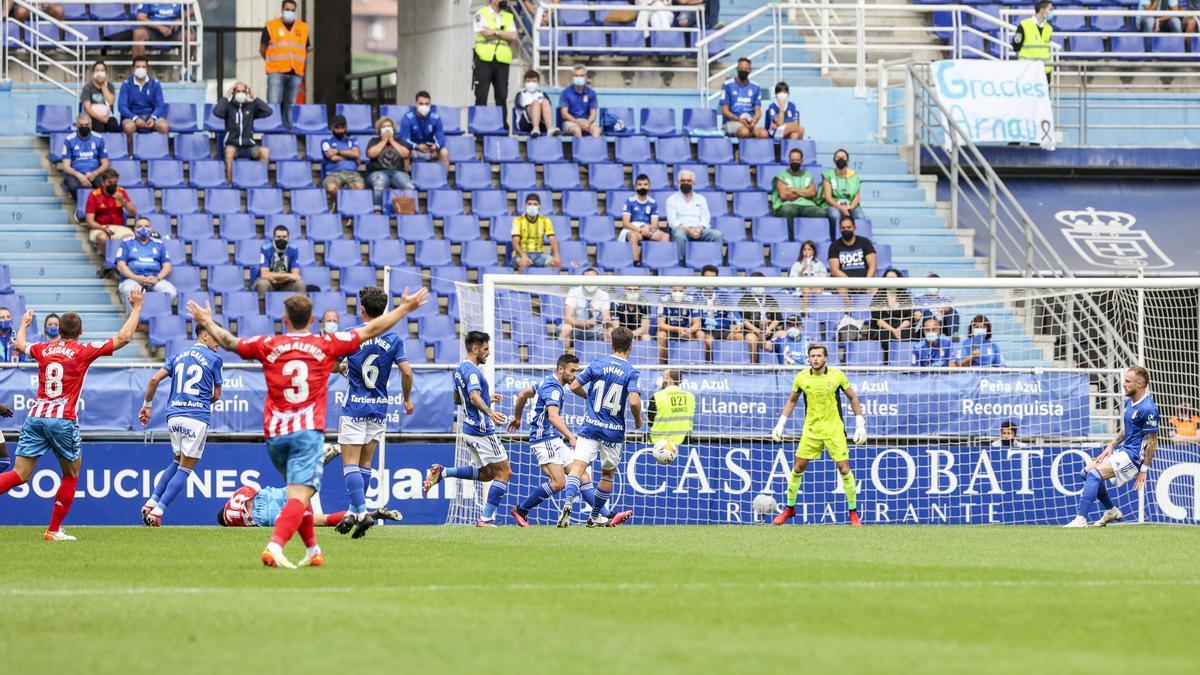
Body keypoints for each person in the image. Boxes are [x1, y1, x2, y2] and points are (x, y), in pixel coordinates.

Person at [186, 287, 428, 567]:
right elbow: (370, 330)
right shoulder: (324, 345)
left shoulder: (269, 343)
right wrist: (405, 309)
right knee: (300, 496)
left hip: (276, 435)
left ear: (285, 319)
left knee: (296, 493)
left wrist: (206, 321)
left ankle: (313, 551)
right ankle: (276, 546)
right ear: (312, 319)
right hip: (307, 434)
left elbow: (230, 342)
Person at [0, 290, 144, 540]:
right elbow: (123, 337)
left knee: (19, 474)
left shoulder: (43, 348)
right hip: (62, 419)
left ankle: (54, 530)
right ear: (80, 332)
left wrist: (23, 325)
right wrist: (137, 308)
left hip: (35, 417)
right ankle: (53, 530)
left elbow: (20, 345)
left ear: (59, 331)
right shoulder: (83, 350)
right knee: (71, 474)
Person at [508, 354, 631, 527]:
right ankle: (521, 509)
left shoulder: (547, 381)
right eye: (572, 371)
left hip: (554, 439)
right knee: (559, 482)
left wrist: (517, 417)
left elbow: (522, 395)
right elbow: (553, 417)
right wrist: (571, 437)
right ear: (560, 369)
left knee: (583, 475)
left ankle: (606, 515)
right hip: (544, 439)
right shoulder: (554, 389)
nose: (575, 375)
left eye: (577, 371)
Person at [335, 286, 414, 538]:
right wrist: (407, 399)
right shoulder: (394, 339)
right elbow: (407, 372)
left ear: (362, 309)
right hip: (379, 408)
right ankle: (352, 512)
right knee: (365, 464)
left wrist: (340, 367)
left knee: (349, 464)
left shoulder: (352, 335)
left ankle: (361, 513)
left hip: (354, 406)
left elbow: (330, 361)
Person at [770, 342, 868, 527]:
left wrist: (860, 424)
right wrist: (781, 423)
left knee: (844, 469)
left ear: (825, 358)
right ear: (809, 358)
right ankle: (789, 508)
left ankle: (853, 513)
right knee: (798, 467)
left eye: (818, 356)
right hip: (811, 430)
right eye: (812, 356)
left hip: (834, 429)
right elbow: (792, 400)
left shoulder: (837, 375)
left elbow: (853, 397)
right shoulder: (801, 378)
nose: (815, 359)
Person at [422, 331, 512, 528]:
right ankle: (486, 518)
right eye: (486, 349)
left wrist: (487, 398)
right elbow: (472, 397)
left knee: (488, 473)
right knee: (504, 473)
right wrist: (489, 412)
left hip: (468, 429)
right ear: (475, 349)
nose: (488, 353)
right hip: (482, 430)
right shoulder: (472, 371)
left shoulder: (459, 369)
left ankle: (443, 472)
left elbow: (458, 399)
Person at [136, 325, 223, 526]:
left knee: (176, 461)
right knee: (185, 469)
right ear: (205, 335)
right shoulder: (214, 359)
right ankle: (157, 512)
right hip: (196, 417)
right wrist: (200, 401)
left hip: (173, 415)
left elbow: (154, 379)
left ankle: (151, 502)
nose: (219, 341)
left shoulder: (178, 354)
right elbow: (217, 395)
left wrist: (147, 406)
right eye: (216, 336)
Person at [558, 326, 643, 527]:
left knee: (577, 467)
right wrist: (638, 420)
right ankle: (595, 516)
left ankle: (568, 503)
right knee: (607, 474)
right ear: (630, 348)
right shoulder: (631, 372)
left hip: (590, 426)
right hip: (613, 431)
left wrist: (591, 397)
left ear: (612, 344)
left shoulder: (597, 364)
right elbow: (634, 402)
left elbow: (574, 385)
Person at [1065, 366, 1159, 527]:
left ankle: (1080, 519)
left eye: (1128, 381)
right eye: (1124, 380)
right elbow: (1127, 427)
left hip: (1134, 456)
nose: (1124, 384)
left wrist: (1143, 470)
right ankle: (1111, 510)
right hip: (1124, 450)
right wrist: (1112, 444)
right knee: (1086, 472)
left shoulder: (1148, 409)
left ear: (1140, 384)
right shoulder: (1130, 401)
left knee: (1094, 475)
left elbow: (1152, 441)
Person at [219, 482, 403, 528]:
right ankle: (320, 463)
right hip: (271, 496)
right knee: (304, 487)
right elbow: (255, 488)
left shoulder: (230, 520)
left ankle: (374, 514)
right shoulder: (237, 495)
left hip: (265, 516)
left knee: (322, 520)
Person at [261, 0, 309, 131]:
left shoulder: (303, 28)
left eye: (293, 10)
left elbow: (305, 49)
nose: (290, 12)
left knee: (290, 105)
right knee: (273, 103)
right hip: (276, 71)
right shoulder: (271, 26)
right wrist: (272, 62)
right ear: (282, 10)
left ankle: (288, 133)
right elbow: (262, 48)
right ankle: (272, 130)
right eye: (287, 9)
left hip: (295, 72)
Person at [213, 82, 272, 186]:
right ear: (234, 92)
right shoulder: (228, 106)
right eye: (238, 91)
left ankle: (262, 181)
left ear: (247, 92)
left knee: (265, 152)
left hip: (249, 147)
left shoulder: (251, 106)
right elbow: (217, 112)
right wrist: (226, 96)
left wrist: (255, 97)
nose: (241, 93)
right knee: (229, 151)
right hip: (233, 146)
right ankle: (230, 182)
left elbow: (268, 111)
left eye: (243, 91)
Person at [473, 0, 518, 127]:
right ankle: (480, 129)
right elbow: (485, 34)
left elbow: (513, 36)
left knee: (502, 96)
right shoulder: (481, 13)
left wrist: (495, 32)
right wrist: (504, 34)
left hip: (502, 61)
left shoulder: (508, 16)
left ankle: (502, 127)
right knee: (482, 95)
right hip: (484, 59)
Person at [116, 216, 176, 311]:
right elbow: (120, 266)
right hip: (133, 279)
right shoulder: (126, 243)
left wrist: (157, 278)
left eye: (147, 226)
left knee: (170, 291)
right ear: (134, 229)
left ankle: (156, 316)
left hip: (154, 279)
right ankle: (135, 322)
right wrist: (136, 278)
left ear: (151, 228)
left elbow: (167, 266)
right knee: (128, 289)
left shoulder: (159, 244)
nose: (143, 229)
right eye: (139, 226)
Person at [666, 170, 722, 264]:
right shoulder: (671, 200)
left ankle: (715, 262)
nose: (686, 183)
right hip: (683, 231)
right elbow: (673, 222)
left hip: (699, 230)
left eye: (688, 181)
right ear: (678, 182)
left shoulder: (701, 199)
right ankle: (681, 264)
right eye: (683, 181)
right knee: (679, 236)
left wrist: (699, 229)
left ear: (693, 183)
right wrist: (689, 230)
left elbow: (706, 218)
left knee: (717, 234)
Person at [118, 56, 169, 155]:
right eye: (138, 67)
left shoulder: (155, 84)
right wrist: (135, 118)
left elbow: (160, 105)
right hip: (132, 117)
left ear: (147, 68)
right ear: (133, 68)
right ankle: (130, 156)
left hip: (151, 117)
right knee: (128, 127)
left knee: (164, 126)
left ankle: (163, 155)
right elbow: (122, 106)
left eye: (143, 67)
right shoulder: (126, 85)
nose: (140, 69)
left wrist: (154, 118)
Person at [861, 268, 912, 364]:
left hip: (901, 327)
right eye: (888, 278)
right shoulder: (878, 297)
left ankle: (903, 362)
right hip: (883, 327)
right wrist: (893, 330)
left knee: (907, 335)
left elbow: (908, 318)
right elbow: (877, 319)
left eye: (893, 278)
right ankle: (886, 362)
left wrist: (899, 329)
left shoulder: (905, 297)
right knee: (887, 336)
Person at [770, 148, 824, 234]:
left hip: (806, 205)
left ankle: (811, 237)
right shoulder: (781, 175)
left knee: (821, 212)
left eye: (797, 160)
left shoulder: (808, 175)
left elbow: (813, 193)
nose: (794, 162)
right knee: (788, 210)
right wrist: (804, 192)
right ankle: (791, 239)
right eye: (792, 160)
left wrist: (794, 190)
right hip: (788, 205)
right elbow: (784, 195)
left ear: (802, 161)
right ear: (789, 161)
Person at [559, 268, 612, 351]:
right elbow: (567, 318)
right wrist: (583, 324)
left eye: (593, 278)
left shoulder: (604, 295)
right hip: (576, 328)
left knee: (610, 331)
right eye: (587, 278)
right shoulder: (574, 292)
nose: (590, 281)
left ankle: (607, 359)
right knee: (566, 328)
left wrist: (606, 320)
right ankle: (561, 357)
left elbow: (606, 316)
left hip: (594, 329)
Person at [365, 116, 413, 207]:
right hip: (378, 172)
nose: (387, 129)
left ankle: (408, 211)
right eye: (384, 127)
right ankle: (377, 210)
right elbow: (371, 154)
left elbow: (405, 154)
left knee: (409, 188)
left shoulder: (399, 141)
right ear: (379, 129)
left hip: (398, 172)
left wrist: (391, 140)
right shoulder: (374, 141)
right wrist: (384, 141)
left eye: (389, 126)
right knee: (379, 187)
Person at [827, 216, 877, 303]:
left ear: (854, 227)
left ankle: (872, 316)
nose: (846, 230)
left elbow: (873, 264)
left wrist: (867, 282)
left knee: (875, 289)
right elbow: (834, 270)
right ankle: (848, 316)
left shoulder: (865, 242)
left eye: (849, 227)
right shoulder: (834, 245)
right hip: (845, 283)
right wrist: (852, 283)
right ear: (839, 229)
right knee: (841, 289)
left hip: (865, 282)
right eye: (843, 228)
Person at [696, 265, 740, 361]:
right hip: (705, 329)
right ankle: (709, 368)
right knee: (708, 341)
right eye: (707, 278)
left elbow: (733, 311)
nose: (710, 281)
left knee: (739, 336)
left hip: (722, 328)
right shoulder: (695, 294)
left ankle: (736, 369)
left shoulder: (724, 293)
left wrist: (738, 324)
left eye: (713, 278)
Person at [621, 173, 668, 264]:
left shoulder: (653, 202)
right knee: (633, 236)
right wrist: (640, 230)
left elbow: (655, 224)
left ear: (649, 186)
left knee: (665, 236)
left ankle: (657, 261)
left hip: (648, 229)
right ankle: (636, 262)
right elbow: (625, 223)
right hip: (634, 229)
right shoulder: (630, 201)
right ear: (635, 187)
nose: (643, 187)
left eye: (645, 184)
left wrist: (648, 228)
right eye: (640, 184)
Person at [736, 273, 782, 364]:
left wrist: (769, 328)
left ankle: (783, 364)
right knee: (752, 340)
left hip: (769, 330)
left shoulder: (770, 299)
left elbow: (777, 318)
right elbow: (744, 320)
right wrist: (757, 330)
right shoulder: (745, 299)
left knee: (783, 334)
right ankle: (754, 366)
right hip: (752, 330)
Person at [511, 193, 562, 273]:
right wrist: (524, 256)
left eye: (535, 204)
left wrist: (556, 255)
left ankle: (550, 285)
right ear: (525, 206)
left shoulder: (545, 220)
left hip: (538, 255)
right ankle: (521, 286)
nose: (532, 206)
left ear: (539, 206)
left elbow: (552, 238)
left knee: (556, 263)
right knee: (523, 262)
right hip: (520, 254)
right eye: (529, 204)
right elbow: (515, 242)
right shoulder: (518, 221)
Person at [84, 169, 137, 245]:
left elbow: (133, 213)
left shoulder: (120, 192)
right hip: (100, 228)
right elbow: (89, 221)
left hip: (118, 227)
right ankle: (107, 256)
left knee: (129, 239)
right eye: (110, 182)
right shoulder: (94, 195)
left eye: (115, 182)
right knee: (103, 238)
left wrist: (124, 201)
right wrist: (104, 228)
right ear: (103, 183)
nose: (113, 185)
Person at [60, 114, 110, 194]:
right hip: (76, 174)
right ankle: (80, 205)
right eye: (81, 125)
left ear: (91, 125)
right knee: (73, 186)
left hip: (94, 173)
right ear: (76, 125)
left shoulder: (99, 138)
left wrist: (94, 173)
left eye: (87, 125)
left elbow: (105, 163)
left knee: (103, 185)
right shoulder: (69, 140)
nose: (84, 127)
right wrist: (80, 176)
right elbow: (66, 167)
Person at [822, 148, 865, 241]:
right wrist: (841, 209)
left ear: (848, 160)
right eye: (838, 157)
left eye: (843, 157)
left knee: (860, 216)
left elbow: (857, 196)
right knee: (835, 214)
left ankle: (858, 242)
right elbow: (828, 197)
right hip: (833, 204)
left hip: (850, 205)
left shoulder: (854, 177)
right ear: (834, 160)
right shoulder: (828, 175)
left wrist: (851, 208)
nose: (840, 159)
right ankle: (836, 241)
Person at [398, 92, 450, 168]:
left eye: (426, 104)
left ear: (430, 105)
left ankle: (443, 179)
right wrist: (417, 146)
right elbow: (404, 139)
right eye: (421, 104)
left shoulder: (436, 118)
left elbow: (441, 138)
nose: (424, 106)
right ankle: (406, 178)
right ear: (416, 104)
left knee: (444, 152)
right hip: (413, 150)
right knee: (405, 152)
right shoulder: (408, 118)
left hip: (430, 150)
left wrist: (435, 146)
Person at [321, 114, 365, 203]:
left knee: (359, 186)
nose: (339, 130)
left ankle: (347, 206)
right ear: (332, 128)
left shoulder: (352, 140)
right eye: (337, 127)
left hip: (352, 174)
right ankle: (339, 204)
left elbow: (356, 153)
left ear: (346, 128)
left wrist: (338, 151)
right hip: (333, 174)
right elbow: (331, 156)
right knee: (331, 188)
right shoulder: (326, 141)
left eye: (342, 127)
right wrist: (351, 158)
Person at [720, 58, 767, 139]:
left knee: (764, 133)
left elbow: (758, 111)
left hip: (751, 122)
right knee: (744, 132)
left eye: (746, 68)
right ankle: (739, 151)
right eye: (741, 68)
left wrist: (753, 121)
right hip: (733, 121)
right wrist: (739, 119)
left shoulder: (755, 86)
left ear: (750, 70)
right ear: (737, 69)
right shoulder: (727, 85)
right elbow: (725, 111)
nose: (743, 70)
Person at [648, 368, 696, 448]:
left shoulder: (657, 397)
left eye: (663, 377)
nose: (661, 380)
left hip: (658, 444)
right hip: (683, 443)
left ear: (670, 380)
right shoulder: (690, 397)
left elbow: (650, 422)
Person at [254, 225, 306, 295]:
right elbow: (265, 274)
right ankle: (262, 306)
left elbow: (295, 274)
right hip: (269, 282)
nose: (281, 239)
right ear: (273, 237)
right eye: (278, 237)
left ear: (288, 238)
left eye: (284, 237)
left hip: (286, 283)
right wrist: (289, 276)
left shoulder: (293, 249)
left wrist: (279, 278)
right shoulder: (265, 249)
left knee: (300, 284)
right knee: (262, 284)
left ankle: (299, 306)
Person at [1012, 1, 1054, 86]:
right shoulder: (1024, 24)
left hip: (1045, 69)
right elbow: (1016, 44)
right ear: (1042, 10)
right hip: (1027, 69)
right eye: (1050, 9)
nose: (1052, 12)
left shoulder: (1049, 28)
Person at [657, 285, 701, 365]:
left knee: (700, 334)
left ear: (685, 291)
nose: (678, 293)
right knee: (661, 335)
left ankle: (700, 364)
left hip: (686, 331)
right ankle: (662, 365)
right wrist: (678, 329)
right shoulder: (663, 299)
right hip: (669, 330)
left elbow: (697, 324)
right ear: (670, 290)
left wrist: (688, 330)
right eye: (675, 291)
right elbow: (661, 324)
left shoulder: (692, 300)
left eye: (681, 291)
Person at [559, 64, 601, 138]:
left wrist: (588, 123)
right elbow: (564, 114)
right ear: (572, 76)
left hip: (587, 121)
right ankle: (580, 149)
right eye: (576, 75)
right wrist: (578, 123)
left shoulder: (591, 93)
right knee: (577, 129)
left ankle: (593, 149)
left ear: (586, 76)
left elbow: (593, 114)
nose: (579, 78)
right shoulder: (565, 92)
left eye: (581, 76)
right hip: (571, 121)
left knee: (597, 130)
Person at [513, 69, 559, 137]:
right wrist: (533, 107)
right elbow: (519, 107)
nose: (531, 84)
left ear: (538, 83)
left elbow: (549, 106)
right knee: (536, 103)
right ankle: (535, 128)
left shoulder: (543, 94)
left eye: (534, 81)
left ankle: (550, 129)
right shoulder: (520, 95)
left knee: (545, 101)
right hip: (525, 123)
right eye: (528, 81)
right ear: (524, 83)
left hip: (542, 123)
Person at [80, 61, 120, 133]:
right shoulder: (87, 87)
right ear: (93, 73)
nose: (100, 73)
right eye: (97, 70)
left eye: (102, 71)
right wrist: (100, 118)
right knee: (99, 126)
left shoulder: (110, 86)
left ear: (105, 73)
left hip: (107, 116)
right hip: (93, 117)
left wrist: (103, 86)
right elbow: (87, 108)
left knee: (113, 124)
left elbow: (111, 102)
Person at [789, 239, 829, 306]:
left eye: (809, 249)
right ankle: (805, 314)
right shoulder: (797, 264)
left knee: (817, 290)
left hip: (816, 288)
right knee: (806, 290)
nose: (807, 252)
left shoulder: (819, 264)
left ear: (813, 251)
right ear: (801, 251)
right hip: (801, 289)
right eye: (804, 250)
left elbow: (824, 278)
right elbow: (793, 281)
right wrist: (803, 269)